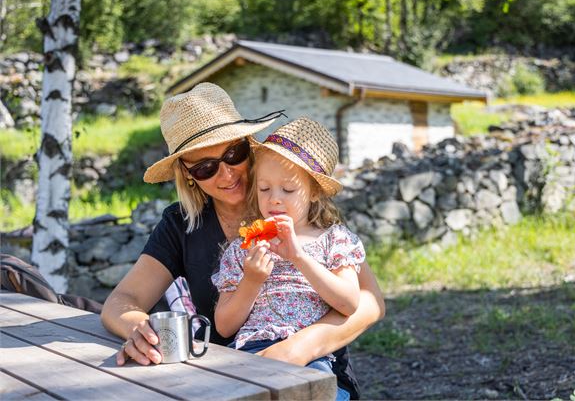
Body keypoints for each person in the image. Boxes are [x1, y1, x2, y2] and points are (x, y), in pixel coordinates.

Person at [100, 83, 385, 398]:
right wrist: (141, 329)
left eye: (233, 154)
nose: (226, 175)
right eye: (206, 168)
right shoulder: (180, 224)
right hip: (231, 375)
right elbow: (121, 300)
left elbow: (370, 302)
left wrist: (299, 348)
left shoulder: (297, 205)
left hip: (315, 368)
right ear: (187, 174)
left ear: (250, 146)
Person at [212, 118, 364, 399]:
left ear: (315, 191)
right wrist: (252, 280)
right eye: (264, 189)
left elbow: (349, 302)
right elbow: (224, 325)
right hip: (249, 353)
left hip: (310, 358)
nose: (275, 200)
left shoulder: (335, 240)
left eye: (288, 190)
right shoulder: (241, 249)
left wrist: (298, 257)